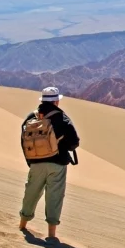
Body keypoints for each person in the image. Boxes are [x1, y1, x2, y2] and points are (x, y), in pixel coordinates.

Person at [18, 86, 79, 239]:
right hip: (57, 164)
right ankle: (51, 235)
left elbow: (23, 140)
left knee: (31, 193)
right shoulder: (62, 118)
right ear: (56, 101)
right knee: (54, 196)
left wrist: (31, 161)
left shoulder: (32, 116)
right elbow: (74, 142)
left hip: (36, 163)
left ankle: (22, 225)